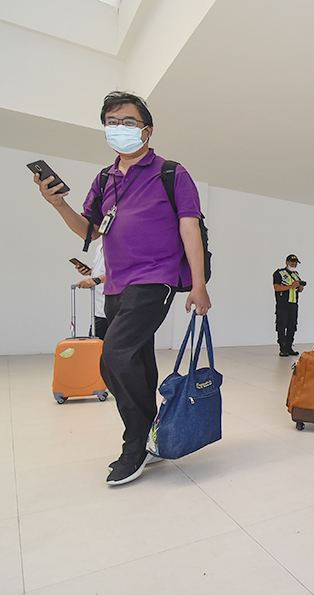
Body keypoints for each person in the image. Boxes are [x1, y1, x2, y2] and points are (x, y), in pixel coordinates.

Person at [35, 91, 211, 485]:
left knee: (113, 356)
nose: (119, 129)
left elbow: (190, 228)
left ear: (146, 130)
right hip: (115, 283)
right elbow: (91, 231)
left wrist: (198, 285)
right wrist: (58, 205)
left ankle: (135, 443)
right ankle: (154, 433)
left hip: (155, 278)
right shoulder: (105, 178)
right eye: (112, 122)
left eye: (128, 122)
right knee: (135, 360)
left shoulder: (171, 172)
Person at [74, 238, 108, 339]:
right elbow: (105, 269)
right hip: (99, 307)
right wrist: (91, 272)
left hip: (113, 305)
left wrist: (95, 280)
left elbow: (121, 271)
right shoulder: (100, 247)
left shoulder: (119, 246)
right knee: (95, 345)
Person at [272, 254, 304, 356]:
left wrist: (299, 286)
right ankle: (283, 348)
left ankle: (290, 347)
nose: (293, 265)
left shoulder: (296, 274)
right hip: (283, 304)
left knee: (292, 325)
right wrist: (291, 286)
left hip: (293, 304)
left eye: (295, 263)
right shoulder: (279, 273)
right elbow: (276, 287)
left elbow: (299, 290)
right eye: (292, 263)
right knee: (282, 325)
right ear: (287, 262)